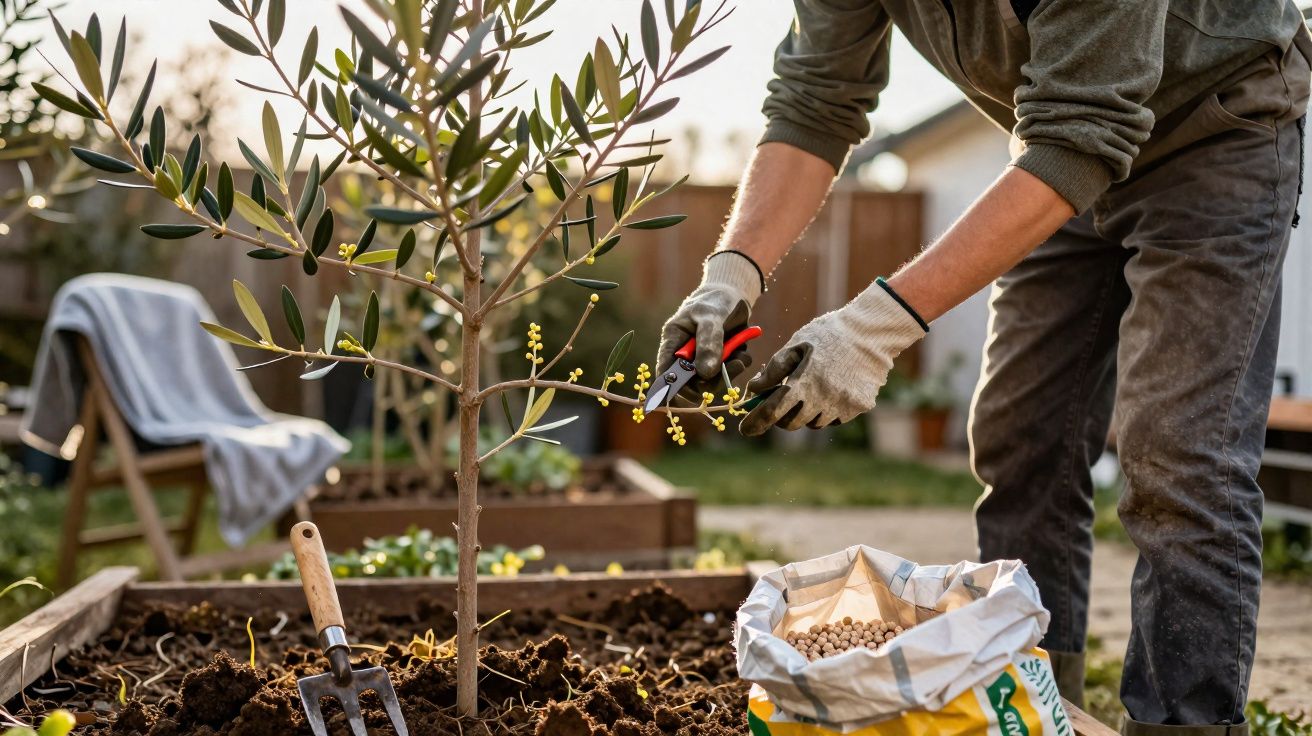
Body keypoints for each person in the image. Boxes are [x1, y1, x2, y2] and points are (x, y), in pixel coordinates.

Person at [656, 2, 1312, 733]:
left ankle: (1183, 724)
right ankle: (1034, 701)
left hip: (1215, 131)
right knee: (1020, 433)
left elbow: (1081, 138)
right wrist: (731, 275)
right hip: (1063, 145)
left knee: (1178, 454)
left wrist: (873, 329)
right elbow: (815, 100)